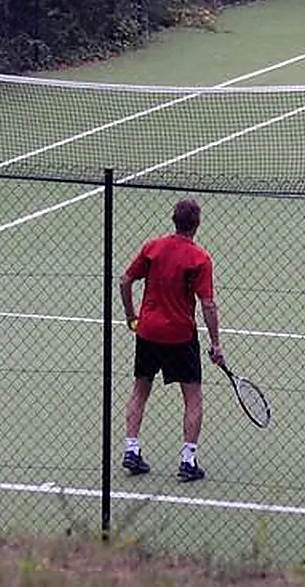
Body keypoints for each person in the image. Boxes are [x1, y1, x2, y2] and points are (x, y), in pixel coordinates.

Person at [120, 197, 224, 481]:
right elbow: (208, 304)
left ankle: (131, 449)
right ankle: (188, 461)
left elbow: (125, 281)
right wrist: (216, 344)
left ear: (174, 221)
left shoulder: (152, 248)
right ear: (197, 224)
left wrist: (131, 316)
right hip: (180, 336)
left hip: (148, 332)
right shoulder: (200, 258)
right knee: (193, 397)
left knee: (140, 390)